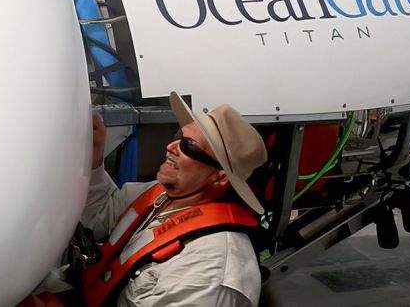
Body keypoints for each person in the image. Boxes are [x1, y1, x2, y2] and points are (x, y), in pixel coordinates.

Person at [76, 92, 268, 306]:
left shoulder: (211, 271)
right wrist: (93, 162)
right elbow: (104, 213)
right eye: (178, 136)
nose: (171, 146)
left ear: (220, 177)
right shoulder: (161, 195)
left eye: (189, 146)